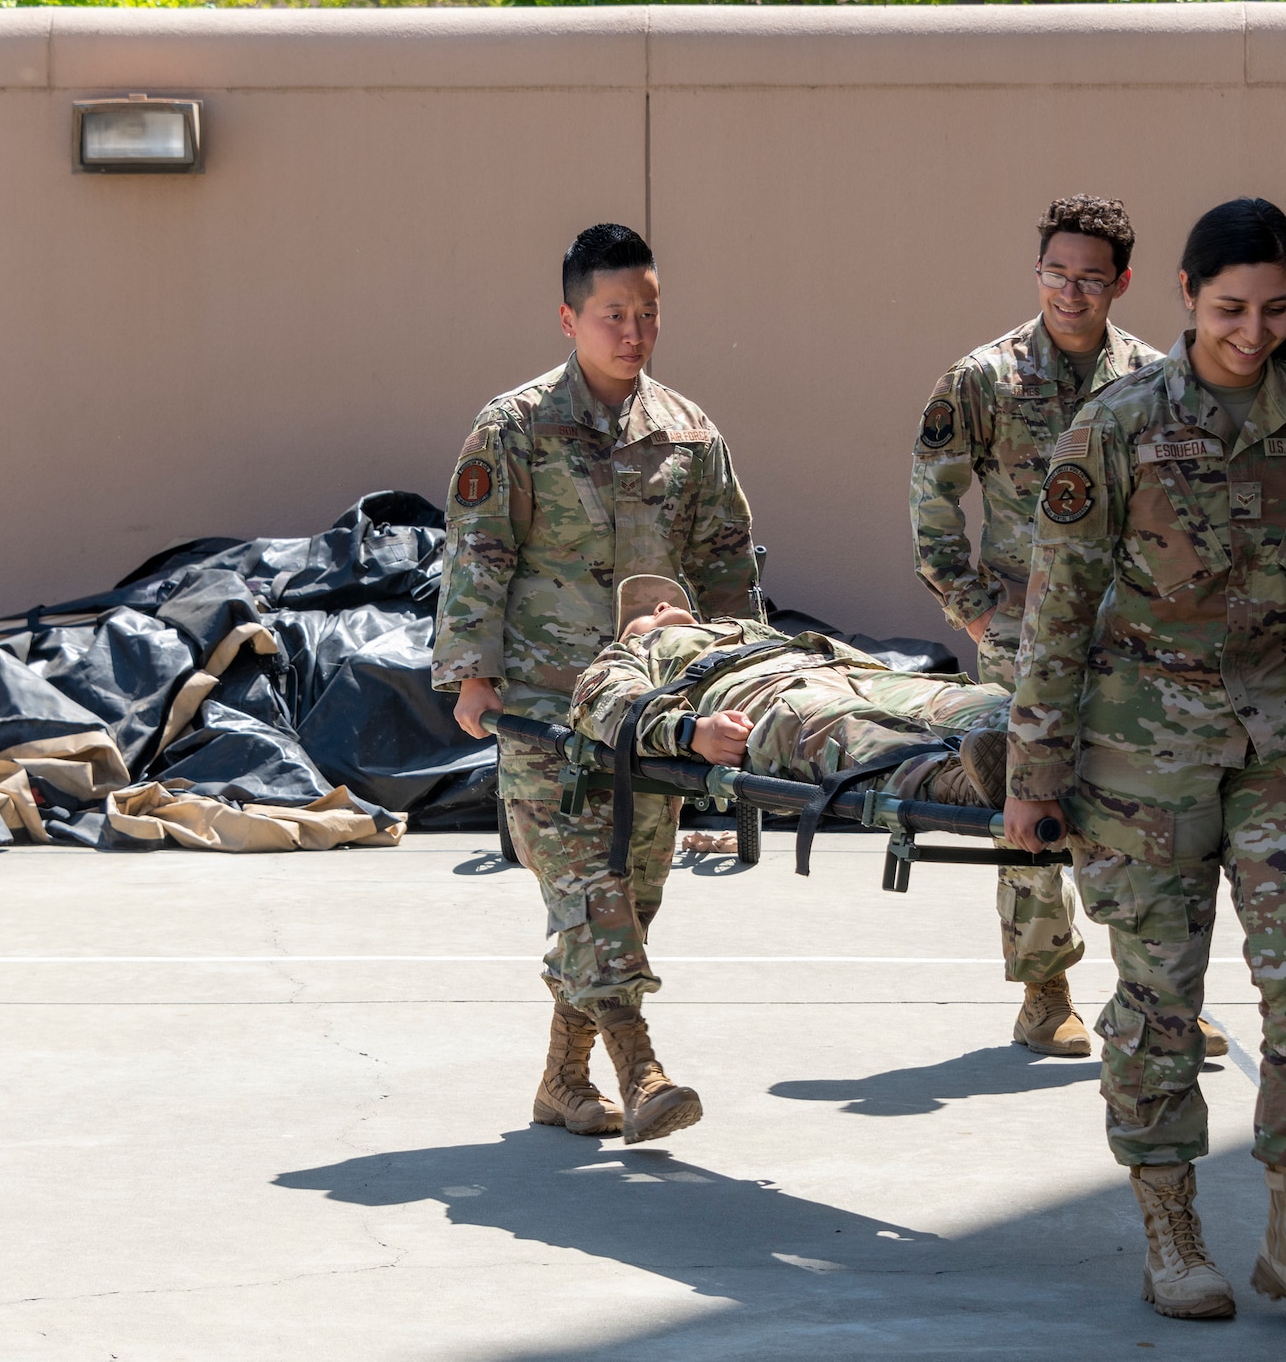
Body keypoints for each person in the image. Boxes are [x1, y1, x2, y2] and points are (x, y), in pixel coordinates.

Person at [1002, 198, 1286, 1331]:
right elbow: (1056, 611)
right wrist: (1033, 778)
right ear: (1182, 294)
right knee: (1157, 1004)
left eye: (1275, 308)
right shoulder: (1116, 425)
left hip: (1284, 738)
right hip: (1141, 750)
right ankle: (1169, 1230)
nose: (1251, 330)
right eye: (1229, 307)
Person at [433, 224, 758, 1146]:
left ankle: (562, 1084)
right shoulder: (515, 428)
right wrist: (473, 674)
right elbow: (477, 556)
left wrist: (734, 677)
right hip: (546, 706)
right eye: (613, 314)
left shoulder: (690, 435)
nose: (633, 332)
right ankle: (639, 1066)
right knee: (588, 893)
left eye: (647, 313)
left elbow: (727, 568)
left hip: (653, 718)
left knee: (631, 894)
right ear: (569, 317)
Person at [908, 196, 1189, 1060]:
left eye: (1090, 280)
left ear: (1123, 283)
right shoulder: (984, 379)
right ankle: (1043, 995)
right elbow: (932, 506)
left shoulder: (1153, 381)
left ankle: (1155, 998)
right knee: (1029, 806)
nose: (1071, 294)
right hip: (1022, 636)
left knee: (1150, 812)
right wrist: (977, 610)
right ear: (1038, 274)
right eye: (1056, 275)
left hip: (1126, 641)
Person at [570, 577, 1010, 809]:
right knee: (844, 727)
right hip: (764, 696)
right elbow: (609, 706)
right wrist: (691, 732)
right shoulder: (627, 655)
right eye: (645, 615)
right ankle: (960, 782)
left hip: (843, 670)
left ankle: (1040, 740)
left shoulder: (745, 627)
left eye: (666, 602)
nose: (661, 607)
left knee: (973, 702)